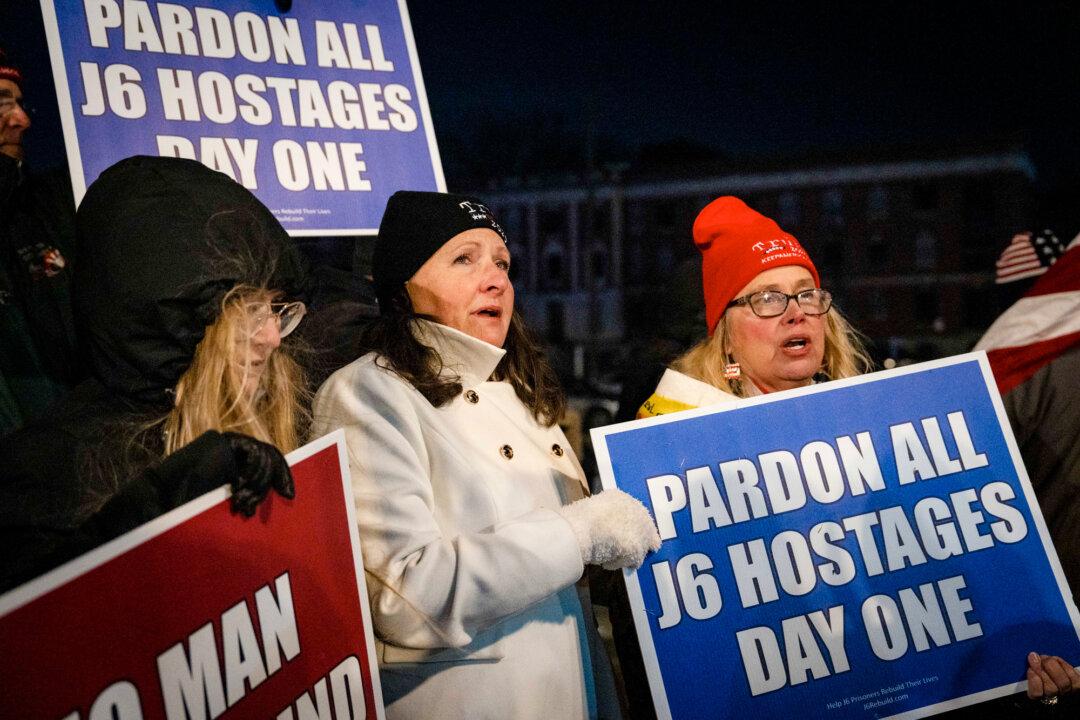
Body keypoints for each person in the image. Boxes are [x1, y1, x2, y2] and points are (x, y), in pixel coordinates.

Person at [633, 195, 1078, 715]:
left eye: (807, 294)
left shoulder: (891, 431)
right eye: (766, 299)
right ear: (725, 335)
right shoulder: (669, 447)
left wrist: (1015, 672)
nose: (796, 311)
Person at [312, 190, 660, 719]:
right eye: (464, 258)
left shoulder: (519, 388)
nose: (496, 277)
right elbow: (405, 596)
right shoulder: (367, 392)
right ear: (405, 287)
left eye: (502, 262)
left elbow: (564, 582)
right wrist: (579, 533)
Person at [0, 155, 308, 592]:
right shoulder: (48, 472)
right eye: (249, 310)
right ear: (171, 318)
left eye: (277, 307)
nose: (274, 336)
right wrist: (161, 499)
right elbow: (39, 634)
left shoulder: (270, 411)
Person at [0, 47, 81, 436]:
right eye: (1, 106)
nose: (22, 121)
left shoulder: (50, 199)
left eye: (18, 103)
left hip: (83, 433)